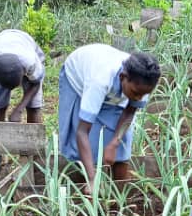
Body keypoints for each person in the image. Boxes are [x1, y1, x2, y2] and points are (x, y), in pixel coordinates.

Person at [58, 44, 160, 195]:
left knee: (122, 141)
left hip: (111, 85)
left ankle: (119, 195)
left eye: (143, 95)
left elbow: (129, 111)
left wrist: (114, 143)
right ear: (122, 77)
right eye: (135, 93)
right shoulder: (99, 80)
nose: (139, 98)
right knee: (86, 141)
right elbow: (82, 131)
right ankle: (85, 184)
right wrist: (92, 179)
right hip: (77, 78)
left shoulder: (144, 82)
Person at [0, 29, 46, 171]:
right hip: (1, 50)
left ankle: (34, 155)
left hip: (24, 42)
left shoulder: (30, 61)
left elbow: (35, 84)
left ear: (23, 72)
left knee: (34, 107)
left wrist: (19, 109)